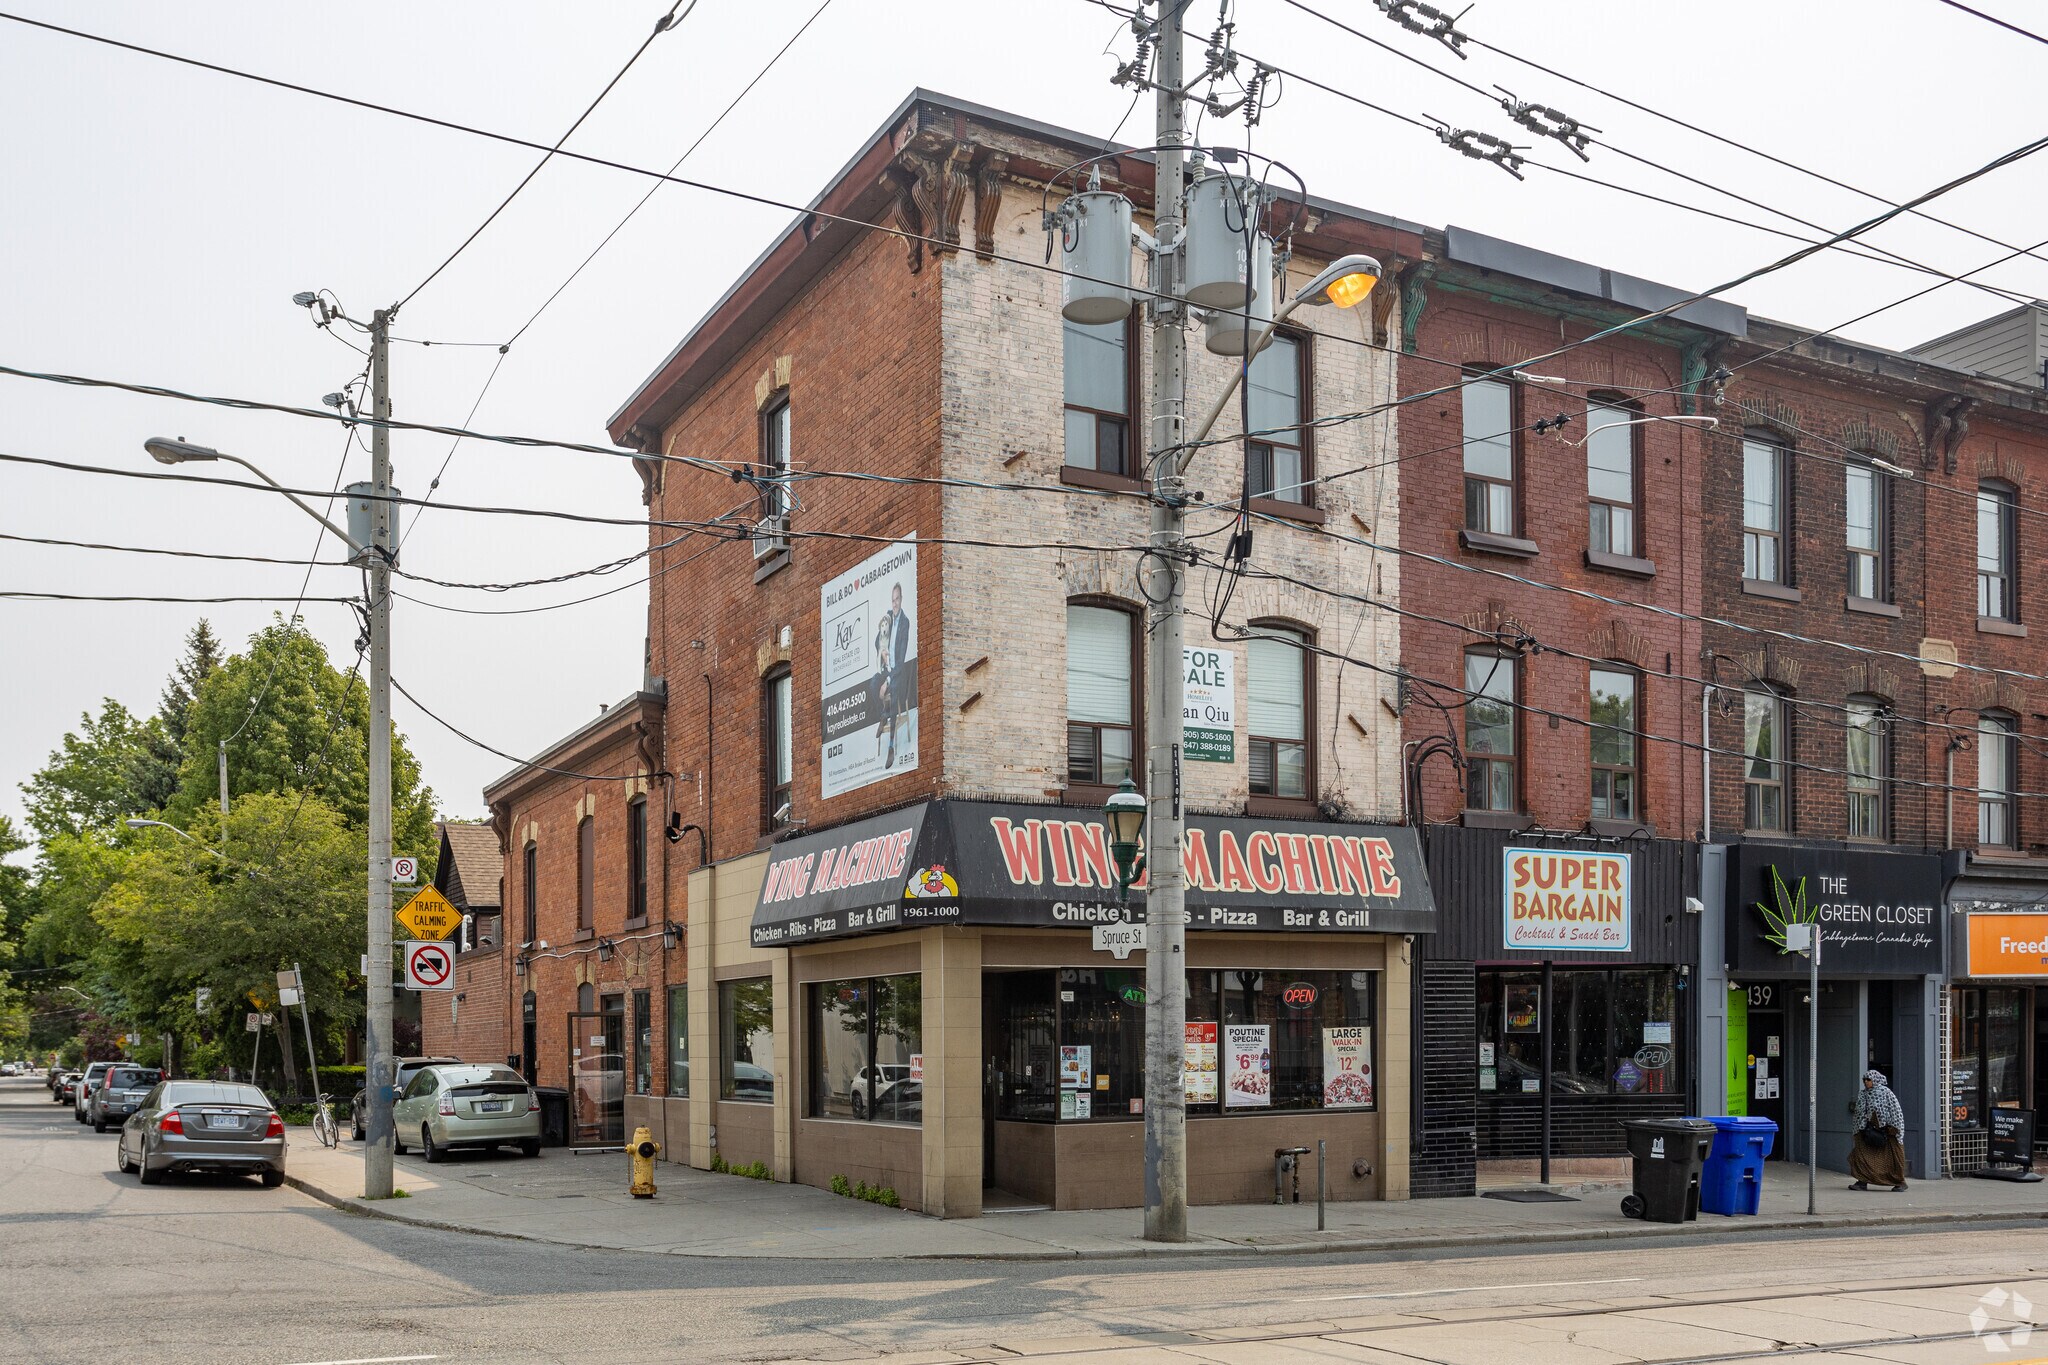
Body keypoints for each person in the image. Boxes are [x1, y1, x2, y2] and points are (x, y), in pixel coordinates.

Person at [1849, 1068, 1908, 1191]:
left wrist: (1894, 1128)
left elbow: (1895, 1111)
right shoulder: (1863, 1094)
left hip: (1886, 1131)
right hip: (1867, 1130)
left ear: (1875, 1080)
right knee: (1862, 1155)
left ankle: (1899, 1182)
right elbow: (1859, 1112)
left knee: (1894, 1156)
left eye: (1868, 1079)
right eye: (1864, 1080)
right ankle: (1862, 1181)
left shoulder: (1886, 1093)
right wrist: (1861, 1127)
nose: (1866, 1082)